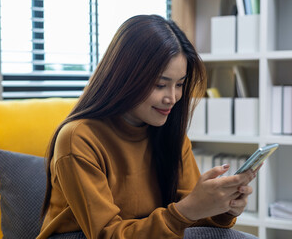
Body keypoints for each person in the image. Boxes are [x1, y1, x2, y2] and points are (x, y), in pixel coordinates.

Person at [37, 15, 256, 239]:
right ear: (125, 78)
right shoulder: (79, 138)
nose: (172, 98)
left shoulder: (169, 134)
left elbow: (188, 216)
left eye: (179, 84)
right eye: (161, 85)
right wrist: (188, 209)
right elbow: (108, 235)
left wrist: (224, 208)